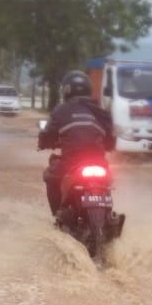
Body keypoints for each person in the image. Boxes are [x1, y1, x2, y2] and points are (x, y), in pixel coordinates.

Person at [39, 70, 113, 214]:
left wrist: (44, 143)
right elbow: (111, 138)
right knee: (108, 180)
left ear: (66, 90)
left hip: (71, 162)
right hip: (99, 163)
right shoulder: (100, 111)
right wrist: (108, 146)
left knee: (49, 175)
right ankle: (108, 212)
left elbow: (48, 134)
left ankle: (57, 214)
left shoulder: (60, 110)